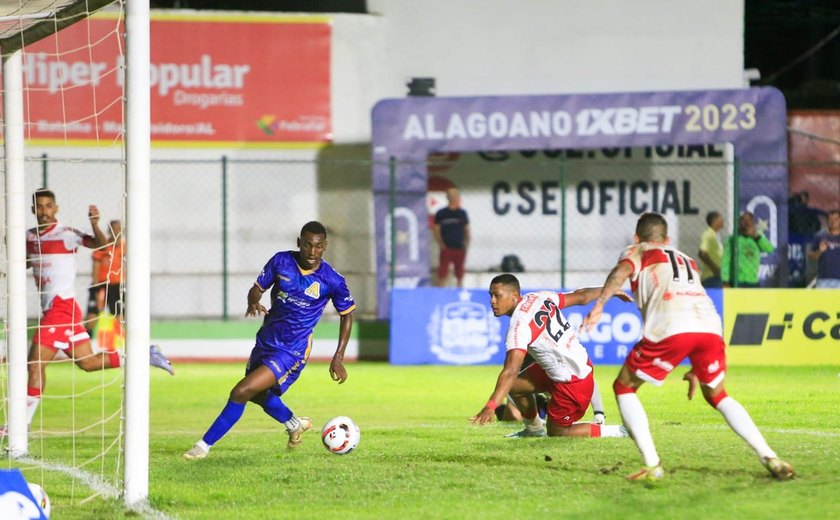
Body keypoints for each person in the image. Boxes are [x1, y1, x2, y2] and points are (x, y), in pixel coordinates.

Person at [580, 212, 794, 481]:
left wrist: (599, 305)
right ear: (667, 239)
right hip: (709, 327)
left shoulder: (638, 250)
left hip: (672, 326)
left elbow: (621, 271)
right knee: (718, 395)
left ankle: (652, 464)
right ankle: (770, 456)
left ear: (638, 238)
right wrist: (696, 362)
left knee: (624, 386)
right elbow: (691, 299)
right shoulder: (686, 259)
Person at [184, 221, 356, 459]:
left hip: (292, 351)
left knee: (241, 391)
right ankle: (294, 424)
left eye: (318, 246)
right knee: (257, 395)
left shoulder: (332, 280)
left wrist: (338, 358)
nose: (312, 251)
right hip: (266, 342)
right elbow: (257, 289)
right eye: (307, 245)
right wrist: (252, 301)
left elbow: (347, 316)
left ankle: (202, 447)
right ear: (299, 243)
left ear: (325, 246)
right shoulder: (281, 261)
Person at [19, 189, 174, 433]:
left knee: (35, 364)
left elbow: (100, 244)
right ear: (32, 210)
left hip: (61, 307)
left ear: (56, 209)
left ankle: (21, 425)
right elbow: (28, 260)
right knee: (88, 363)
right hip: (58, 309)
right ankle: (145, 355)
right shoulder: (29, 237)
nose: (44, 211)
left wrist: (95, 225)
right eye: (39, 206)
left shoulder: (66, 234)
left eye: (49, 206)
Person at [470, 274, 629, 439]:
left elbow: (510, 370)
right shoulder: (539, 297)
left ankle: (618, 431)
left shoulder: (519, 327)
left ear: (514, 296)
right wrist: (608, 291)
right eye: (491, 295)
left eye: (497, 295)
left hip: (573, 383)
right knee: (515, 387)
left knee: (557, 432)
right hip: (573, 366)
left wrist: (491, 405)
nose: (492, 301)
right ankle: (533, 430)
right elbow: (581, 296)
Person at [84, 219, 123, 340]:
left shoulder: (125, 248)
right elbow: (95, 266)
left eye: (118, 229)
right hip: (101, 285)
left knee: (120, 316)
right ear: (109, 231)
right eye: (113, 229)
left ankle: (120, 344)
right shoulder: (103, 246)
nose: (116, 232)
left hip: (117, 286)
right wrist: (96, 286)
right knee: (92, 315)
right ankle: (87, 341)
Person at [720, 211, 775, 288]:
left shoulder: (758, 235)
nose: (747, 223)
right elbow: (726, 260)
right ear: (739, 222)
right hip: (737, 280)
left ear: (753, 222)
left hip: (753, 280)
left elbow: (770, 249)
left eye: (749, 220)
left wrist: (756, 236)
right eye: (744, 220)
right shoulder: (732, 239)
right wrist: (725, 281)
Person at [433, 187, 470, 287]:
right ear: (448, 198)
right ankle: (441, 293)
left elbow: (467, 229)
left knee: (459, 273)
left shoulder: (462, 213)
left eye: (456, 195)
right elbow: (436, 229)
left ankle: (460, 292)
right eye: (452, 196)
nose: (454, 198)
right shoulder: (441, 213)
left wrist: (467, 242)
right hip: (446, 248)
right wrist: (440, 243)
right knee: (442, 272)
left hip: (459, 248)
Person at [807, 209, 840, 288]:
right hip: (823, 280)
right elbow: (810, 256)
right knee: (821, 301)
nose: (833, 222)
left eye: (836, 219)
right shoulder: (819, 236)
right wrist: (819, 251)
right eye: (830, 219)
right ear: (827, 221)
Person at [698, 211, 724, 288]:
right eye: (721, 218)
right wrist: (715, 269)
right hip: (711, 276)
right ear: (715, 221)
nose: (723, 220)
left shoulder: (715, 235)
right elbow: (702, 253)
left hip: (716, 276)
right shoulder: (708, 235)